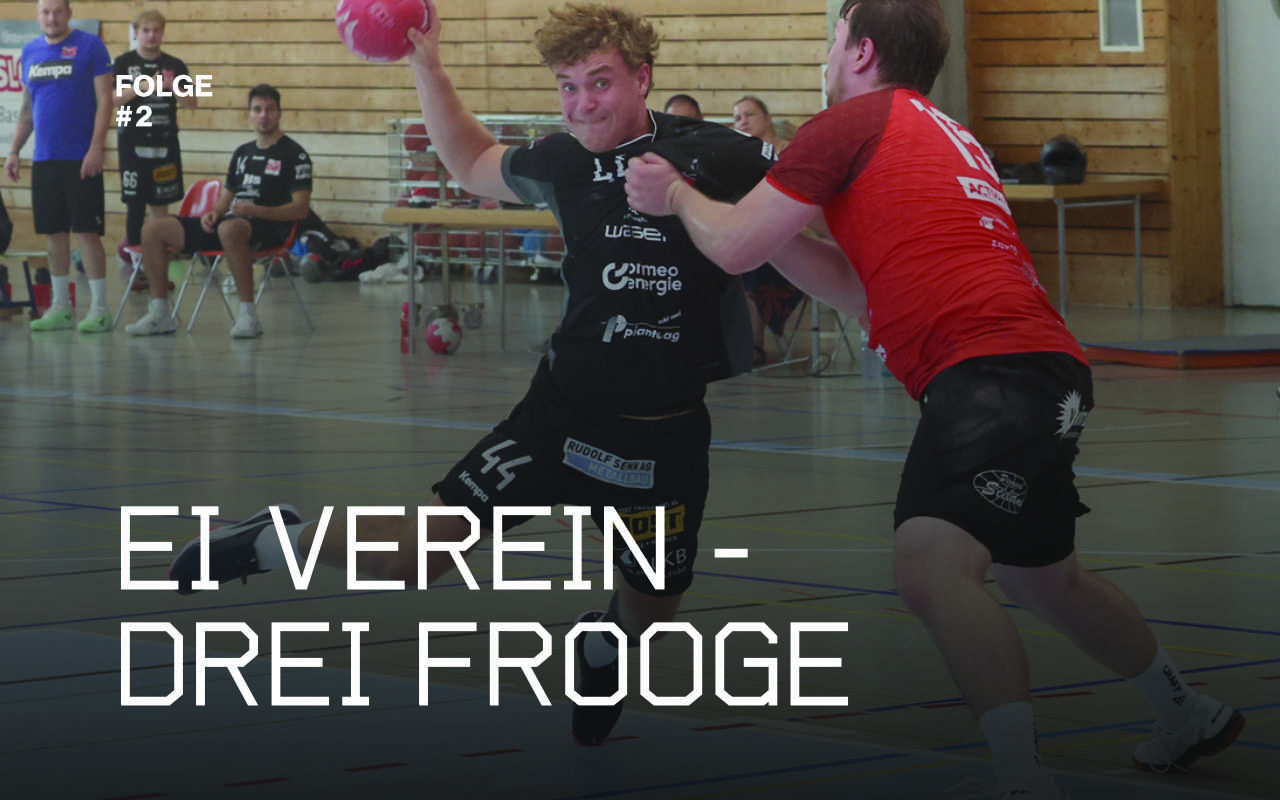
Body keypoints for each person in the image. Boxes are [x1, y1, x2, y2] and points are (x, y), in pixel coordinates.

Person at [166, 0, 852, 747]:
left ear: (642, 78)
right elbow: (470, 161)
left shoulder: (721, 154)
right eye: (568, 87)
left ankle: (603, 647)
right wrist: (428, 65)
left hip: (665, 435)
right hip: (563, 415)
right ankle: (278, 539)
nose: (583, 104)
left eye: (600, 82)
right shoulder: (563, 161)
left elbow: (819, 204)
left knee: (651, 606)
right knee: (421, 554)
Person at [624, 1, 1244, 797]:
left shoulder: (848, 123)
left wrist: (677, 197)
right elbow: (859, 290)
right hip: (1044, 368)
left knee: (929, 568)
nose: (826, 56)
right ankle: (1187, 711)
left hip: (988, 370)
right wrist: (766, 230)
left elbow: (736, 243)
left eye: (833, 39)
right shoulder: (941, 131)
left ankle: (1021, 779)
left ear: (862, 51)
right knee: (1041, 578)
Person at [124, 84, 311, 338]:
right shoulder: (243, 153)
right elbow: (226, 197)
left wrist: (255, 210)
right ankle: (160, 314)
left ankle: (248, 315)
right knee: (153, 229)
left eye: (269, 109)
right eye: (257, 109)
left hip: (268, 228)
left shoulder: (294, 155)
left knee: (229, 229)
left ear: (279, 113)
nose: (263, 115)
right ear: (249, 114)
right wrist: (213, 213)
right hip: (231, 223)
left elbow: (300, 209)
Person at [7, 0, 114, 333]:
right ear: (38, 15)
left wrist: (96, 147)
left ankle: (99, 309)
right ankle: (61, 307)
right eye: (45, 12)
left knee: (86, 231)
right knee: (54, 233)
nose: (51, 18)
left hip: (81, 156)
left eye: (57, 11)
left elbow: (106, 100)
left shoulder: (91, 46)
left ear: (69, 13)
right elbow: (28, 108)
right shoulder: (31, 51)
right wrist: (14, 150)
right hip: (45, 158)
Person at [113, 9, 196, 263]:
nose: (151, 36)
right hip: (132, 144)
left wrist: (174, 87)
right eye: (146, 30)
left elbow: (193, 103)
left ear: (162, 33)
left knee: (161, 206)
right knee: (135, 206)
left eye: (156, 30)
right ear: (136, 33)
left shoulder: (175, 65)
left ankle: (158, 265)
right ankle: (136, 265)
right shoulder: (123, 63)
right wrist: (144, 85)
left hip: (165, 143)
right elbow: (111, 100)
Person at [732, 95, 801, 364]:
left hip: (790, 240)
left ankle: (754, 344)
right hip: (750, 235)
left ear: (768, 118)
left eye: (749, 114)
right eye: (737, 118)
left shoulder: (789, 152)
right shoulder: (738, 159)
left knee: (753, 263)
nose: (743, 122)